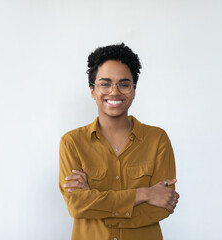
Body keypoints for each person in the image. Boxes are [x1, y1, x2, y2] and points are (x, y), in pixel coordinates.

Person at [59, 43, 179, 240]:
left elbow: (161, 208)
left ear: (133, 90)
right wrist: (144, 194)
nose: (114, 92)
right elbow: (76, 205)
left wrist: (96, 207)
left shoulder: (157, 140)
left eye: (123, 84)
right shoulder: (72, 143)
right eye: (105, 84)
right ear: (92, 90)